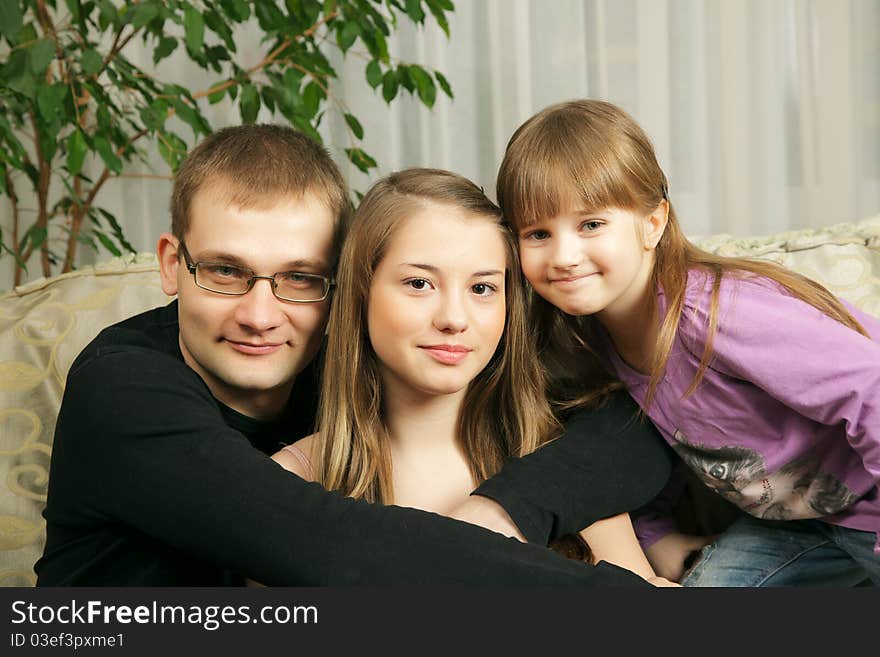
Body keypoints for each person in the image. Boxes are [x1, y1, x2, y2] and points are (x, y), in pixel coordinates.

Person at [36, 123, 672, 586]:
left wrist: (512, 503)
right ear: (174, 265)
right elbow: (328, 547)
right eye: (227, 272)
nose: (261, 315)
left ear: (338, 289)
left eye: (299, 277)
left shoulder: (361, 355)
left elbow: (628, 426)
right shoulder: (124, 390)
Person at [493, 98, 880, 587]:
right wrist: (657, 537)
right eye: (538, 233)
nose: (565, 255)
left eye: (591, 224)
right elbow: (639, 444)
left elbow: (872, 387)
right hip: (801, 526)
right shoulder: (589, 335)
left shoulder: (715, 313)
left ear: (652, 224)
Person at [270, 168, 672, 585]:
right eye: (419, 283)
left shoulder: (567, 466)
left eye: (482, 289)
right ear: (361, 290)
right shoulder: (290, 483)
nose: (454, 319)